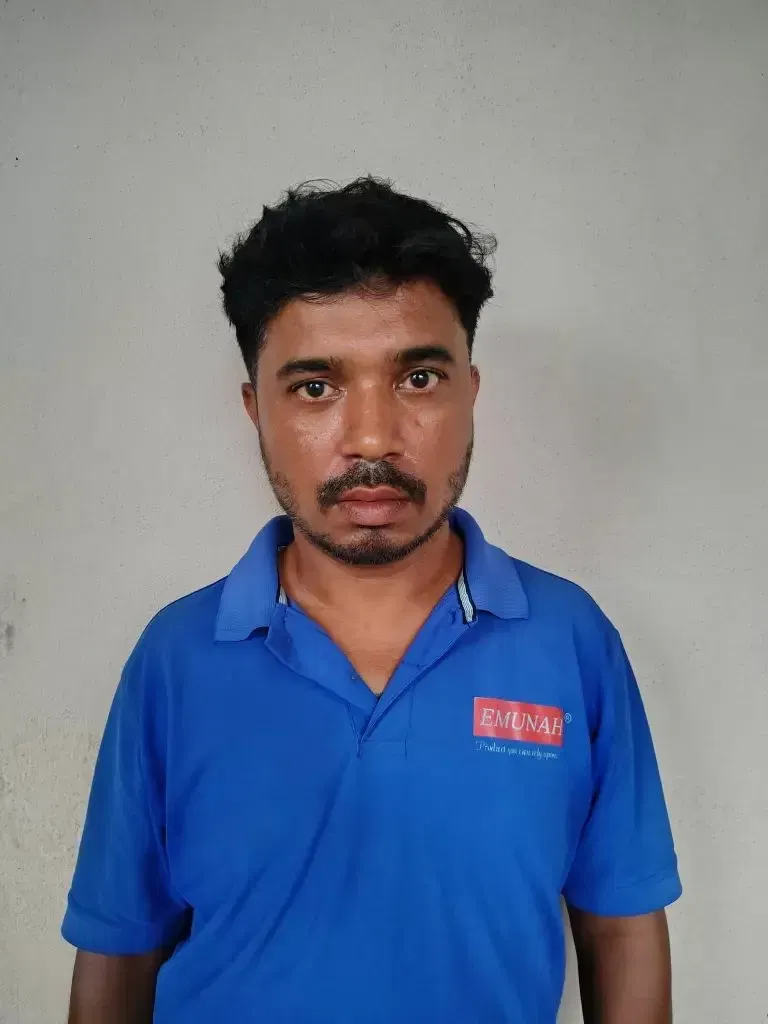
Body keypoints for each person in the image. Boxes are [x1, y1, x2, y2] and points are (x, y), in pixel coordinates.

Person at [63, 177, 681, 1024]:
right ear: (254, 409)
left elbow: (621, 926)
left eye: (418, 377)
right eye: (315, 387)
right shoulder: (176, 657)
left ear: (470, 391)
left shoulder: (570, 640)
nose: (371, 438)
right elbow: (117, 948)